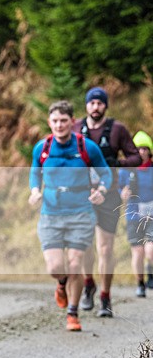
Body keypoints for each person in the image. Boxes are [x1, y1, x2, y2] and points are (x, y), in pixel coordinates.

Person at [29, 100, 111, 332]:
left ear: (72, 122)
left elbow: (106, 174)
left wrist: (101, 191)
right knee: (55, 267)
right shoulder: (42, 148)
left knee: (75, 264)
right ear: (49, 122)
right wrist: (35, 191)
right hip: (51, 214)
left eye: (64, 121)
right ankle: (61, 283)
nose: (59, 125)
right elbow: (35, 173)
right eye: (55, 121)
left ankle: (72, 314)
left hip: (81, 214)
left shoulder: (87, 147)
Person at [74, 87, 140, 316]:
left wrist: (117, 164)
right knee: (83, 246)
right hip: (81, 193)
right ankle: (89, 283)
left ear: (106, 106)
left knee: (106, 248)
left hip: (109, 194)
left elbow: (137, 157)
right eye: (91, 103)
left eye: (100, 103)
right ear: (86, 106)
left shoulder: (117, 129)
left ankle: (105, 297)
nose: (95, 107)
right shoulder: (75, 129)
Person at [118, 131, 153, 297]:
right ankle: (140, 283)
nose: (141, 152)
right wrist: (122, 193)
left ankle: (150, 273)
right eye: (138, 149)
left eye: (145, 148)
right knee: (138, 252)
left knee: (150, 250)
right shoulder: (126, 170)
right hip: (133, 215)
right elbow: (118, 189)